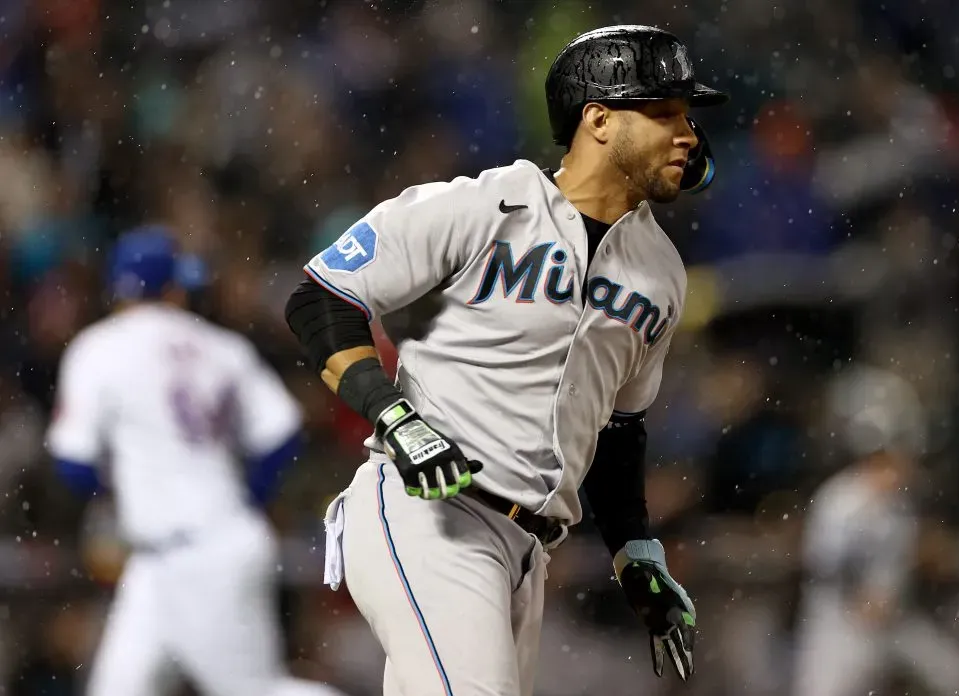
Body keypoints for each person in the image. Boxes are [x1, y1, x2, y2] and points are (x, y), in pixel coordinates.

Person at [286, 25, 728, 695]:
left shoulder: (661, 273)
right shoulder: (485, 206)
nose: (687, 132)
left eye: (686, 114)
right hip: (431, 513)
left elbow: (616, 429)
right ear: (599, 120)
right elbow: (321, 296)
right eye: (664, 112)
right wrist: (394, 415)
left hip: (531, 550)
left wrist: (635, 551)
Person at [46, 227, 347, 696]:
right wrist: (246, 499)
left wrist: (116, 494)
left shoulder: (99, 348)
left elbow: (73, 465)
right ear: (171, 288)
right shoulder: (223, 346)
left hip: (199, 554)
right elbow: (284, 437)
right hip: (177, 557)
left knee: (254, 691)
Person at [793, 364, 959, 696]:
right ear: (877, 456)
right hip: (840, 628)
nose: (906, 466)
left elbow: (903, 562)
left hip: (892, 624)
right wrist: (860, 596)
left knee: (958, 678)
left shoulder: (899, 506)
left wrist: (926, 556)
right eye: (897, 457)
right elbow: (824, 564)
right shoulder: (840, 501)